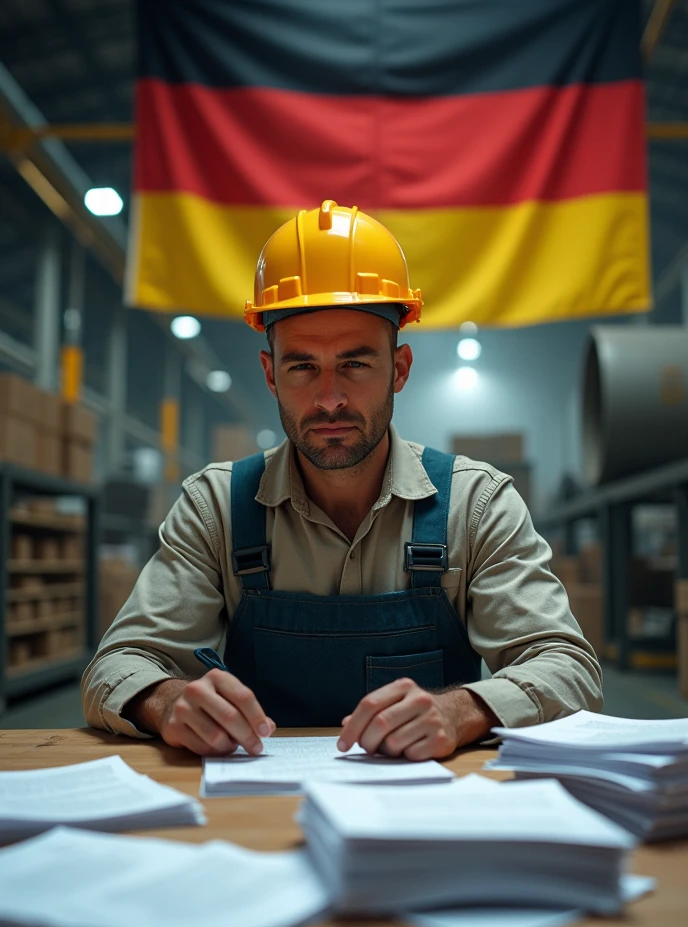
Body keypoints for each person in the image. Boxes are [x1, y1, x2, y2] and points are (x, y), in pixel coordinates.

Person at [82, 200, 602, 760]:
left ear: (399, 369)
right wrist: (167, 700)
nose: (329, 398)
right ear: (270, 375)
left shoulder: (475, 505)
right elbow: (117, 663)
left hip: (433, 811)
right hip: (258, 813)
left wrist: (464, 710)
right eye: (303, 366)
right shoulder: (217, 507)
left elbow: (569, 668)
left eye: (355, 364)